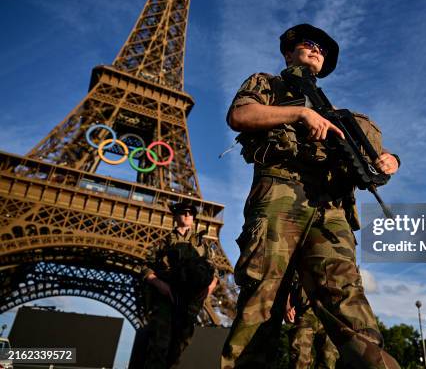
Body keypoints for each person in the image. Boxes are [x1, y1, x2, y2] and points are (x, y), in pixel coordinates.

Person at [221, 23, 401, 369]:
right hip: (280, 192)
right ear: (288, 53)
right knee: (263, 298)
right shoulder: (268, 83)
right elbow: (240, 115)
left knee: (347, 298)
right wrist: (300, 113)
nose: (317, 49)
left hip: (331, 206)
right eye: (308, 44)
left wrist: (390, 160)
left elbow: (369, 162)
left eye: (323, 48)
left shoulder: (336, 112)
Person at [142, 201, 218, 369]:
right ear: (175, 216)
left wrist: (209, 288)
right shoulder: (162, 243)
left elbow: (214, 270)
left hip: (190, 300)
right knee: (159, 344)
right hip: (166, 297)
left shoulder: (203, 244)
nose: (187, 215)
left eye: (190, 213)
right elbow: (146, 267)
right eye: (183, 212)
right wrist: (158, 283)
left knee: (180, 346)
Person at [285, 275, 339, 369]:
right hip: (304, 314)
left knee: (329, 359)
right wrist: (287, 307)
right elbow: (285, 283)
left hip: (329, 315)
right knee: (300, 360)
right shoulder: (298, 260)